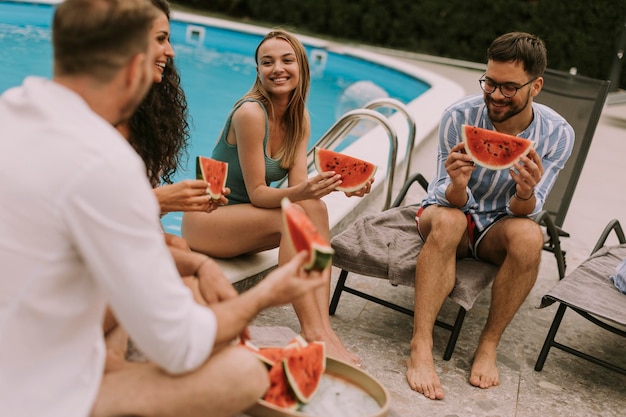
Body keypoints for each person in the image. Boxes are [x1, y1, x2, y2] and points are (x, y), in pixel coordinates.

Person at [0, 1, 325, 417]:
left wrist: (197, 267)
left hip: (31, 331)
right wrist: (266, 294)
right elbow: (181, 346)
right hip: (25, 394)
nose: (170, 52)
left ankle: (109, 367)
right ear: (133, 61)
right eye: (160, 40)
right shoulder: (104, 163)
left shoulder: (15, 107)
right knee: (243, 374)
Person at [181, 29, 372, 366]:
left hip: (246, 222)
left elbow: (299, 188)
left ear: (301, 67)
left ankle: (324, 327)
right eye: (266, 62)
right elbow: (259, 193)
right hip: (208, 219)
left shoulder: (301, 119)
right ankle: (313, 330)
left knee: (315, 208)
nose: (277, 68)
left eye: (286, 60)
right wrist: (306, 191)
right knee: (294, 215)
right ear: (258, 71)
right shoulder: (250, 114)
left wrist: (339, 184)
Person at [405, 32, 574, 400]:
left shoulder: (558, 134)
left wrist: (526, 192)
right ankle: (420, 343)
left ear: (536, 86)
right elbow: (444, 197)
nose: (495, 95)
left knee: (531, 237)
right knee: (450, 220)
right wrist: (458, 184)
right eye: (490, 83)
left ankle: (488, 344)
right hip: (450, 211)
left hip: (501, 224)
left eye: (509, 88)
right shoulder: (459, 115)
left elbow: (528, 213)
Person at [116, 0, 224, 251]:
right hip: (104, 240)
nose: (171, 51)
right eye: (161, 39)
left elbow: (136, 204)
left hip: (135, 230)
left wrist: (183, 200)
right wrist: (163, 199)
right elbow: (93, 210)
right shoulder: (97, 115)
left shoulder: (150, 114)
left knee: (183, 253)